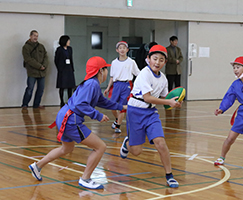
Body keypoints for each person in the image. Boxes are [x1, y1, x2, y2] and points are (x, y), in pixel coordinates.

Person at [28, 56, 126, 190]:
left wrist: (121, 107)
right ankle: (85, 179)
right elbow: (80, 104)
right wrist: (97, 115)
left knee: (66, 148)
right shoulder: (92, 84)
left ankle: (37, 166)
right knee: (100, 147)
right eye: (105, 69)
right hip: (70, 120)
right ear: (100, 71)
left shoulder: (91, 83)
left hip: (64, 116)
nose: (107, 73)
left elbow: (102, 101)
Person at [120, 45, 182, 188]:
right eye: (155, 58)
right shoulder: (144, 73)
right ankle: (128, 143)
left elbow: (165, 97)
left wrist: (175, 102)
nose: (157, 62)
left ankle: (169, 175)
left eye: (161, 60)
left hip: (151, 113)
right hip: (135, 111)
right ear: (148, 59)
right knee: (136, 152)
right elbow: (147, 98)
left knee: (161, 143)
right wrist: (168, 101)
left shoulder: (164, 78)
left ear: (165, 62)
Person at [104, 41, 140, 134]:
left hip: (127, 85)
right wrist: (108, 88)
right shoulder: (114, 62)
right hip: (116, 85)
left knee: (122, 107)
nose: (122, 49)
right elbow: (112, 77)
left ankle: (118, 126)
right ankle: (117, 120)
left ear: (127, 50)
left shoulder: (131, 62)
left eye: (124, 48)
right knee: (112, 105)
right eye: (120, 48)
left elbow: (138, 74)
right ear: (117, 50)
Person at [22, 30, 48, 109]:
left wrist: (44, 65)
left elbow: (46, 57)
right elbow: (28, 59)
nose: (35, 37)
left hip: (41, 72)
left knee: (40, 90)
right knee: (30, 89)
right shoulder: (26, 47)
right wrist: (39, 66)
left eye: (37, 36)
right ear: (30, 36)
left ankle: (36, 104)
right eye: (34, 35)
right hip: (32, 72)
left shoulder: (41, 46)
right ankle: (25, 104)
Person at [54, 35, 76, 108]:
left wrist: (72, 68)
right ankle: (62, 101)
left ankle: (69, 100)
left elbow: (71, 59)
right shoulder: (59, 49)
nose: (69, 42)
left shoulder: (70, 49)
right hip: (62, 69)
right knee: (62, 86)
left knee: (70, 86)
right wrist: (60, 68)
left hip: (69, 68)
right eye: (68, 41)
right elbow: (56, 60)